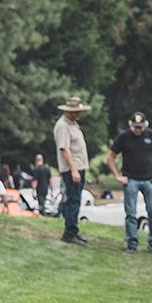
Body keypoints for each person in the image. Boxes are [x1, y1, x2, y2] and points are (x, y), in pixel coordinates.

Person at [107, 110, 152, 254]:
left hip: (148, 179)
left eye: (140, 127)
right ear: (131, 125)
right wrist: (117, 176)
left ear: (145, 125)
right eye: (135, 127)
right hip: (131, 179)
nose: (138, 130)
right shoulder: (124, 137)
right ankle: (132, 243)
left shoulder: (151, 135)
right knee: (131, 213)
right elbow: (110, 156)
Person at [53, 96, 91, 245]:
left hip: (79, 166)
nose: (78, 114)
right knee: (72, 199)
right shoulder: (63, 126)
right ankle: (69, 232)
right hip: (71, 169)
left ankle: (73, 230)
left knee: (76, 199)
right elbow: (65, 149)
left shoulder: (73, 124)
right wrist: (74, 170)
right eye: (76, 111)